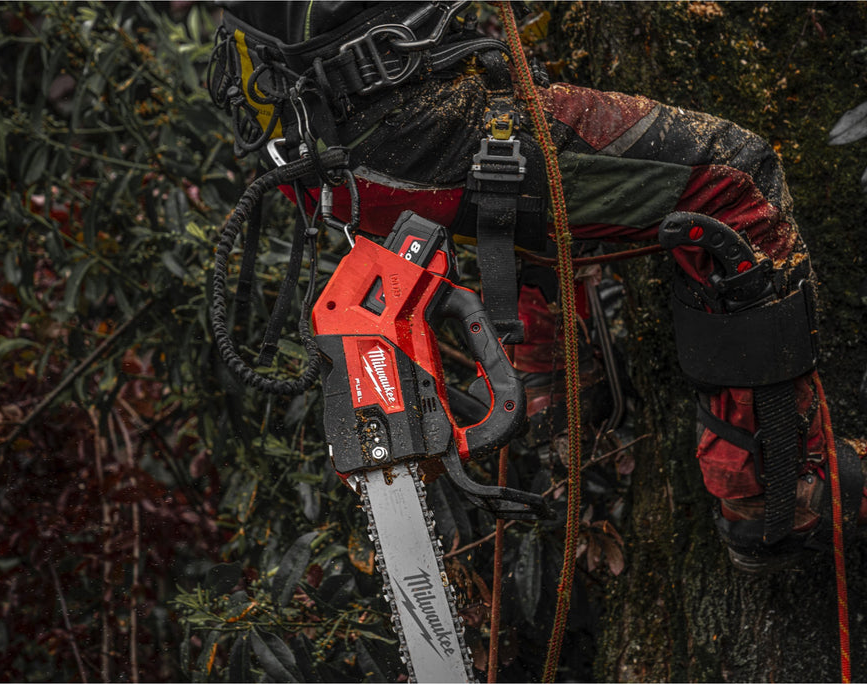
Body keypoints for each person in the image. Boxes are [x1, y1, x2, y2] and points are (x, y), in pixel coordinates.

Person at [207, 1, 867, 573]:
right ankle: (771, 490)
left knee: (534, 130)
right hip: (410, 130)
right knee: (736, 181)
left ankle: (555, 385)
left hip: (320, 150)